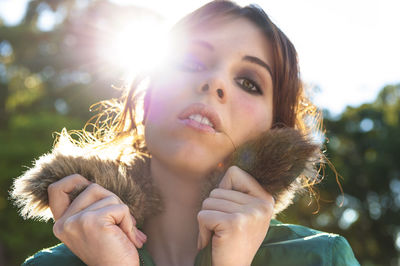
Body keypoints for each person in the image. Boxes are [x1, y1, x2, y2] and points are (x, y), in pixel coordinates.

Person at [12, 1, 359, 265]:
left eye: (248, 82)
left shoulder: (322, 257)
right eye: (192, 62)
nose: (215, 83)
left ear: (274, 132)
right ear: (147, 96)